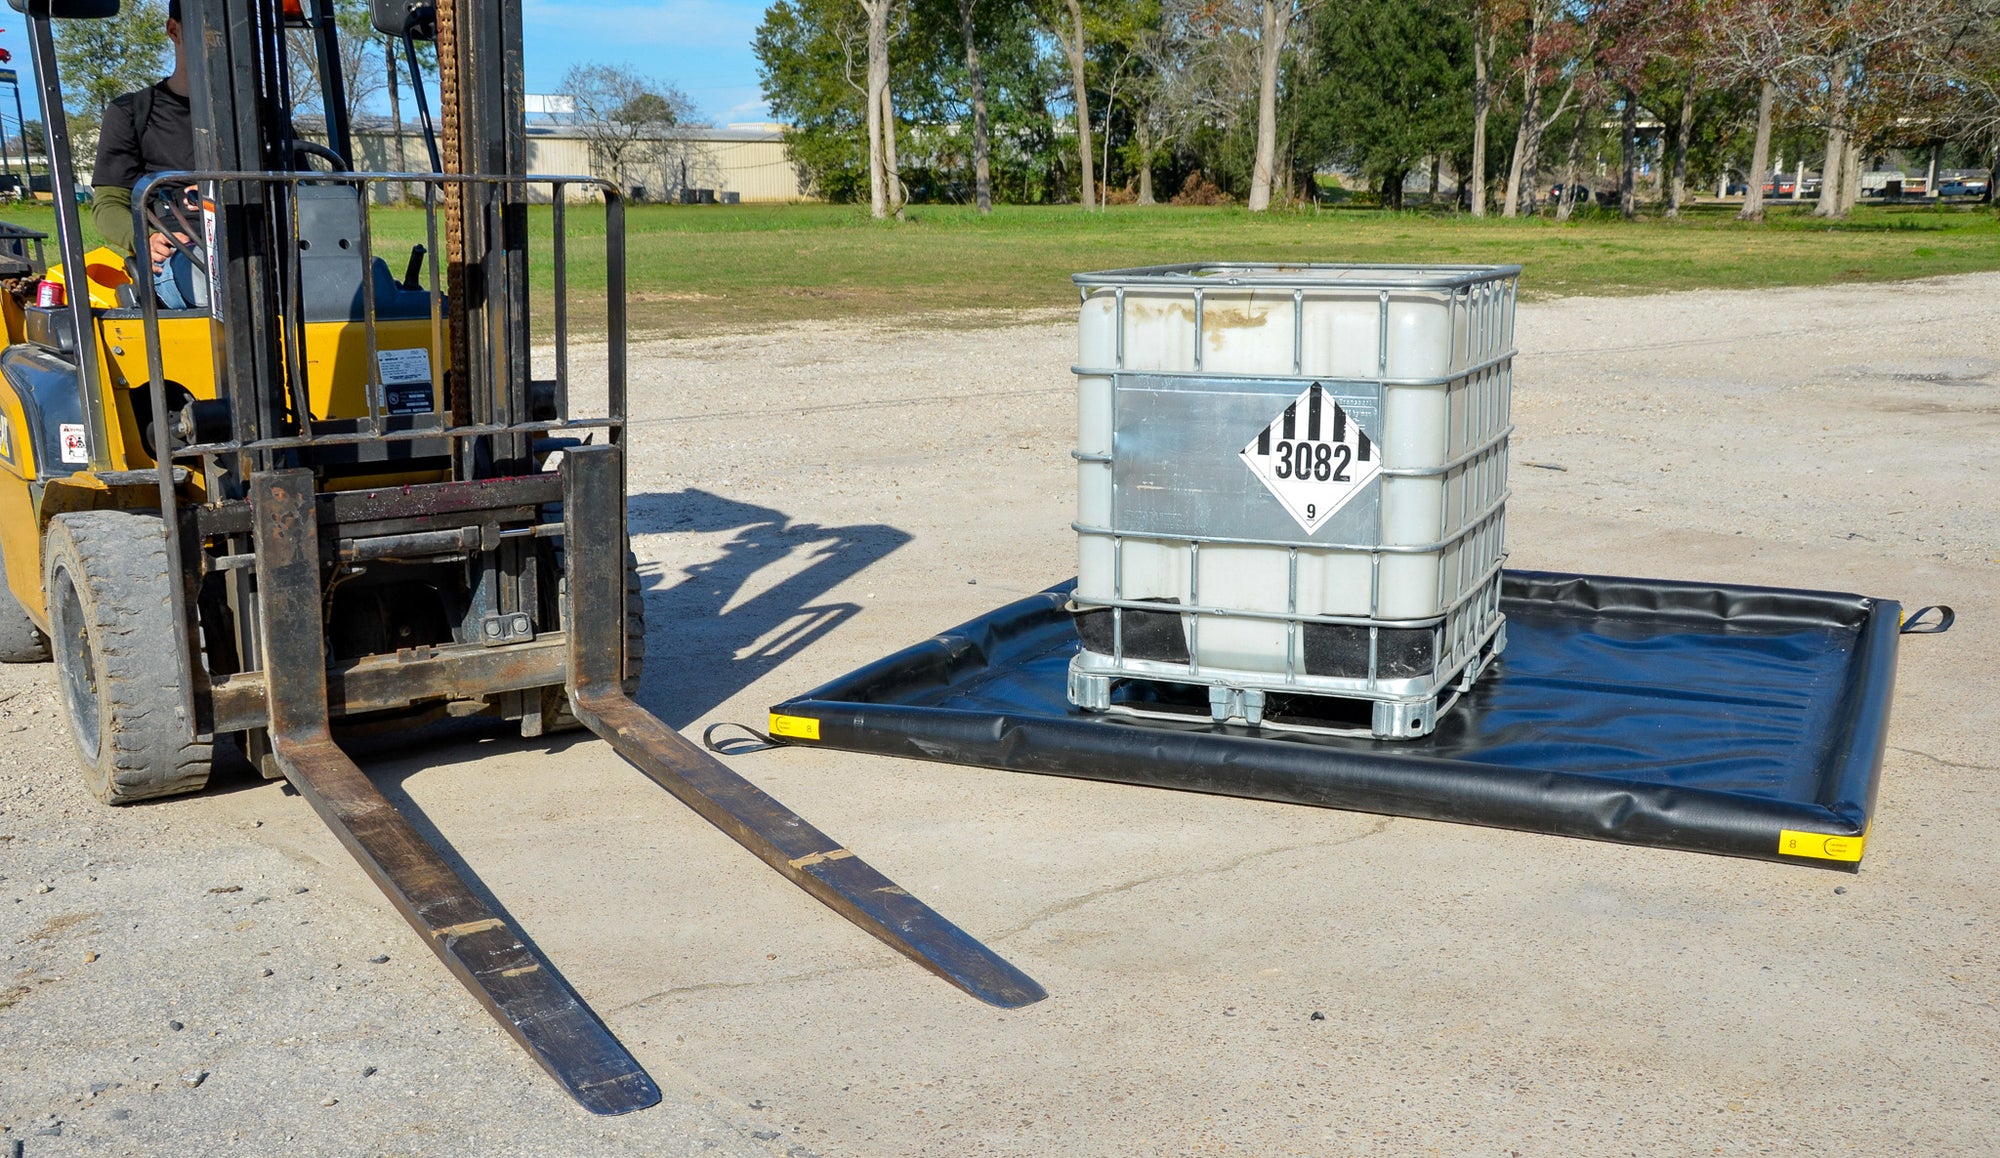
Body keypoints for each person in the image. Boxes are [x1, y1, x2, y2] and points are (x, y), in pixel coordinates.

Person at [91, 0, 201, 309]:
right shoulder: (131, 114)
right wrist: (146, 236)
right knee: (221, 280)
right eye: (205, 26)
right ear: (174, 30)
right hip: (183, 253)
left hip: (264, 251)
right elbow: (108, 205)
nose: (215, 39)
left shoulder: (263, 116)